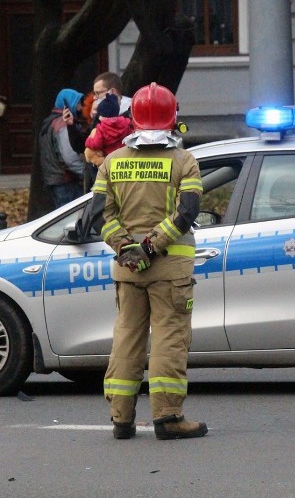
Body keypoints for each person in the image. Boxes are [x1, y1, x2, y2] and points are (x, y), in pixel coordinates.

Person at [94, 82, 207, 440]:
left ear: (133, 119)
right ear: (174, 118)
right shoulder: (184, 161)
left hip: (127, 271)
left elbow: (100, 215)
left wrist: (126, 248)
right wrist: (150, 247)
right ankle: (168, 417)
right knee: (168, 339)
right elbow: (186, 212)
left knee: (127, 337)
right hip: (170, 269)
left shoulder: (112, 162)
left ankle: (121, 418)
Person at [68, 72, 132, 191]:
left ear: (112, 92)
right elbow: (80, 145)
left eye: (97, 93)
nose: (94, 98)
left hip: (117, 183)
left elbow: (89, 144)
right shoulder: (101, 115)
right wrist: (70, 126)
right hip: (99, 181)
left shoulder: (131, 115)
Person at [39, 89, 86, 207]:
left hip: (57, 181)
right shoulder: (62, 124)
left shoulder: (49, 122)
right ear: (68, 103)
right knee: (73, 221)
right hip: (68, 182)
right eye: (79, 103)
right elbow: (70, 158)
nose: (81, 108)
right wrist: (86, 174)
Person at [84, 93, 133, 167]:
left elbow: (96, 144)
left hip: (110, 160)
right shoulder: (127, 122)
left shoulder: (101, 128)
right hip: (125, 159)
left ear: (102, 116)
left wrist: (88, 141)